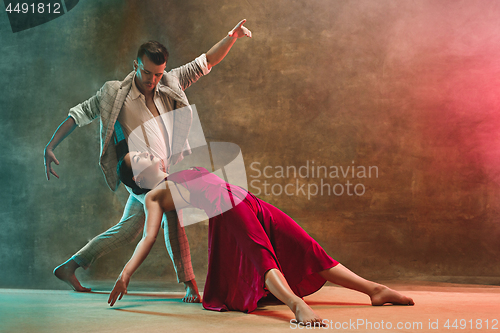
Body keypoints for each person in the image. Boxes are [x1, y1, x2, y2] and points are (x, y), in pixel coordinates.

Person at [43, 20, 252, 302]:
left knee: (129, 230)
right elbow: (79, 114)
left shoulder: (169, 83)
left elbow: (206, 61)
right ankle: (189, 283)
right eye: (147, 72)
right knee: (172, 215)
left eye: (158, 73)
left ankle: (70, 266)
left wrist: (232, 36)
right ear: (135, 65)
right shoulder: (114, 93)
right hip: (139, 174)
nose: (152, 80)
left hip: (161, 169)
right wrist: (51, 145)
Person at [108, 151, 414, 326]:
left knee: (306, 247)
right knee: (262, 257)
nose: (147, 152)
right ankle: (295, 306)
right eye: (139, 158)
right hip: (227, 209)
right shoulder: (154, 197)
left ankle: (375, 290)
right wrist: (125, 274)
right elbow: (147, 238)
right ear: (138, 178)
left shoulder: (175, 172)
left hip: (249, 201)